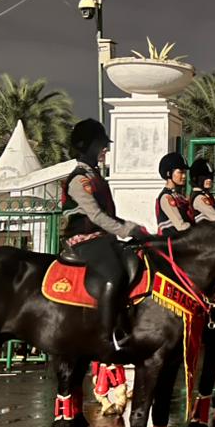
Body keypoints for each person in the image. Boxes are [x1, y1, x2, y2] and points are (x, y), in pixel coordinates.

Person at [60, 118, 147, 350]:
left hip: (103, 240)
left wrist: (134, 229)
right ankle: (107, 337)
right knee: (113, 274)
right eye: (100, 144)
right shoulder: (80, 179)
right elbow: (97, 217)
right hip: (84, 241)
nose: (105, 148)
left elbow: (109, 215)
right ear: (86, 145)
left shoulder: (96, 177)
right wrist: (127, 229)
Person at [155, 151, 193, 233]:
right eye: (180, 172)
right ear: (169, 173)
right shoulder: (166, 197)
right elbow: (181, 226)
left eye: (185, 172)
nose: (184, 176)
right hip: (174, 240)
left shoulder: (178, 196)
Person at [188, 157, 215, 222]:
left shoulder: (205, 194)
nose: (209, 179)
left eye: (210, 176)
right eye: (205, 176)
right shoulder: (199, 198)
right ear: (195, 178)